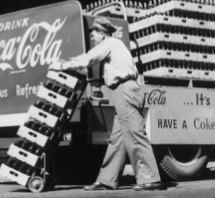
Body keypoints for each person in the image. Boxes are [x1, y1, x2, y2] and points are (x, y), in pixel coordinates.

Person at [48, 17, 164, 191]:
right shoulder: (115, 46)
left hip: (125, 91)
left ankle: (150, 178)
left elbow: (88, 59)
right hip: (124, 91)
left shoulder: (109, 43)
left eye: (93, 34)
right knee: (117, 140)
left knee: (134, 133)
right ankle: (107, 179)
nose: (92, 37)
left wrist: (63, 65)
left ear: (102, 33)